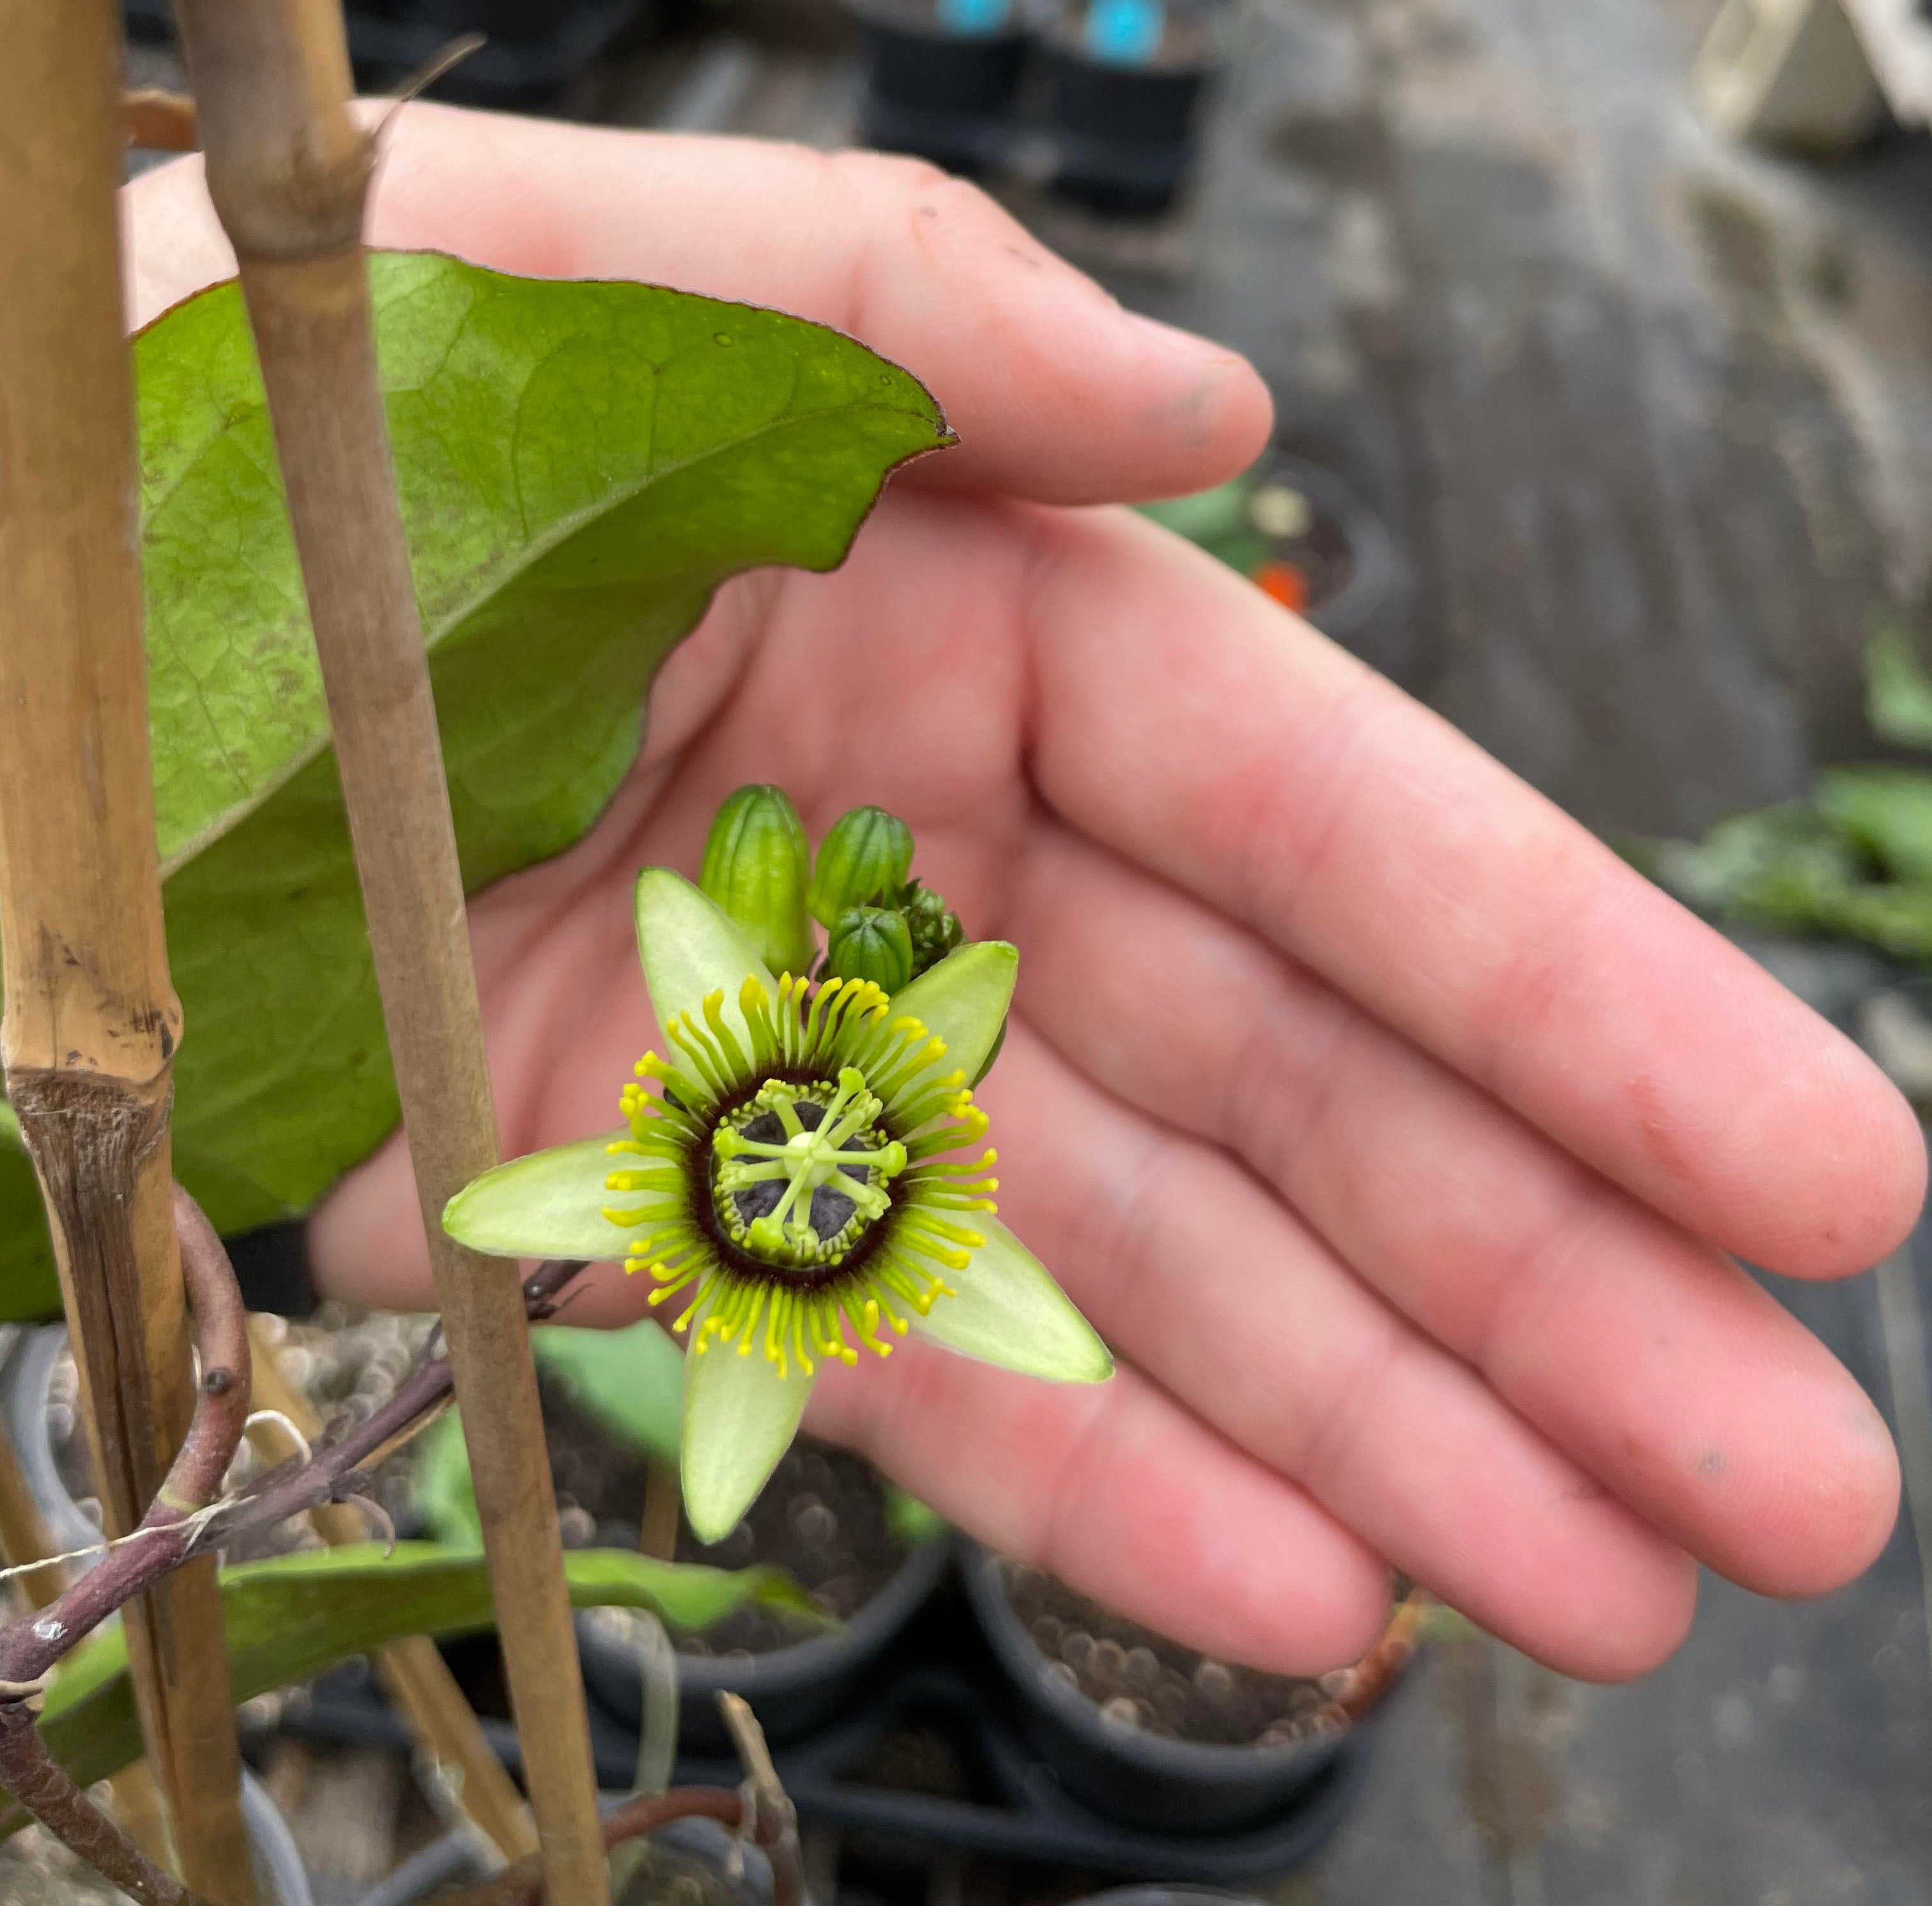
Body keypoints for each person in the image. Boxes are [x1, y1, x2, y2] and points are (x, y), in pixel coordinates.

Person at [126, 103, 1924, 1685]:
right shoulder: (763, 1091)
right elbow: (736, 989)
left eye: (797, 1166)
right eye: (827, 1158)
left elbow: (772, 1019)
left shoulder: (764, 1109)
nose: (804, 1164)